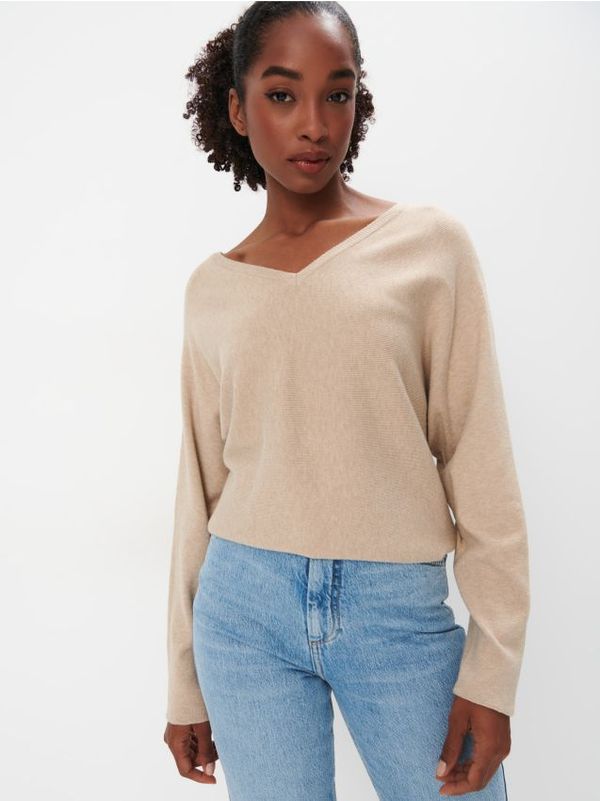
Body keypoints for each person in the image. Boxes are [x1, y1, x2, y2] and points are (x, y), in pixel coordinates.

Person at [162, 3, 530, 800]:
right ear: (238, 108)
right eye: (282, 94)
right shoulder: (212, 289)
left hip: (396, 614)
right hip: (243, 612)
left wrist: (492, 673)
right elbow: (200, 487)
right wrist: (184, 680)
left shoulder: (429, 246)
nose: (315, 123)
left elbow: (480, 459)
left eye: (338, 93)